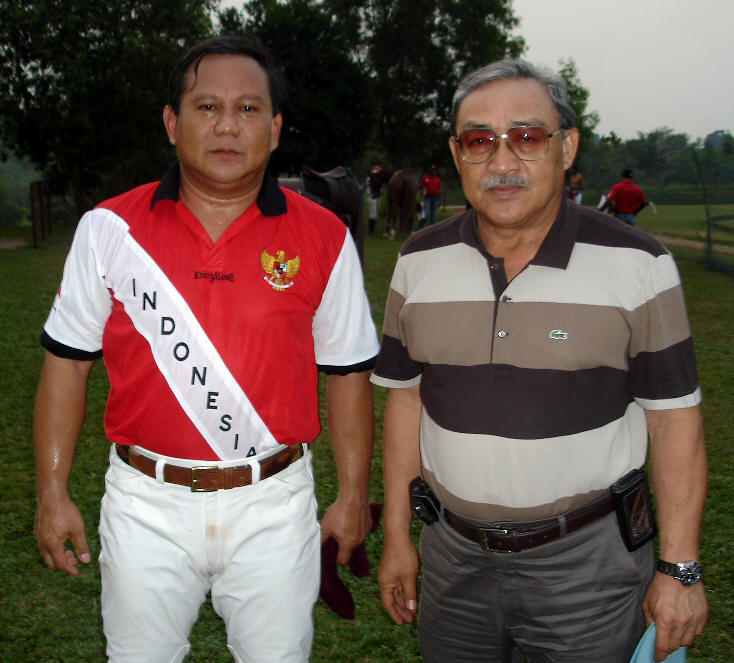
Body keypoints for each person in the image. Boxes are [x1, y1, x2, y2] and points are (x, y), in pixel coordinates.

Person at [33, 35, 379, 663]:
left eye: (248, 109)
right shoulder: (107, 230)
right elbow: (66, 362)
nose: (227, 125)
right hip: (145, 504)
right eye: (206, 107)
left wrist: (353, 497)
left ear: (274, 129)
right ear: (172, 123)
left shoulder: (325, 237)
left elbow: (348, 373)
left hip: (275, 503)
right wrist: (52, 492)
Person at [372, 58, 707, 663]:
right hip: (453, 559)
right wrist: (398, 535)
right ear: (456, 155)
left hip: (588, 568)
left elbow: (674, 420)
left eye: (527, 137)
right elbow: (406, 402)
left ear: (567, 146)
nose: (502, 162)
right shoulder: (418, 262)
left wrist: (679, 568)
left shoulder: (640, 265)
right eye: (480, 141)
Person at [366, 164, 383, 235]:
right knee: (373, 214)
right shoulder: (374, 177)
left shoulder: (369, 177)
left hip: (371, 196)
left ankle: (372, 230)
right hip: (373, 196)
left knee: (373, 213)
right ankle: (371, 230)